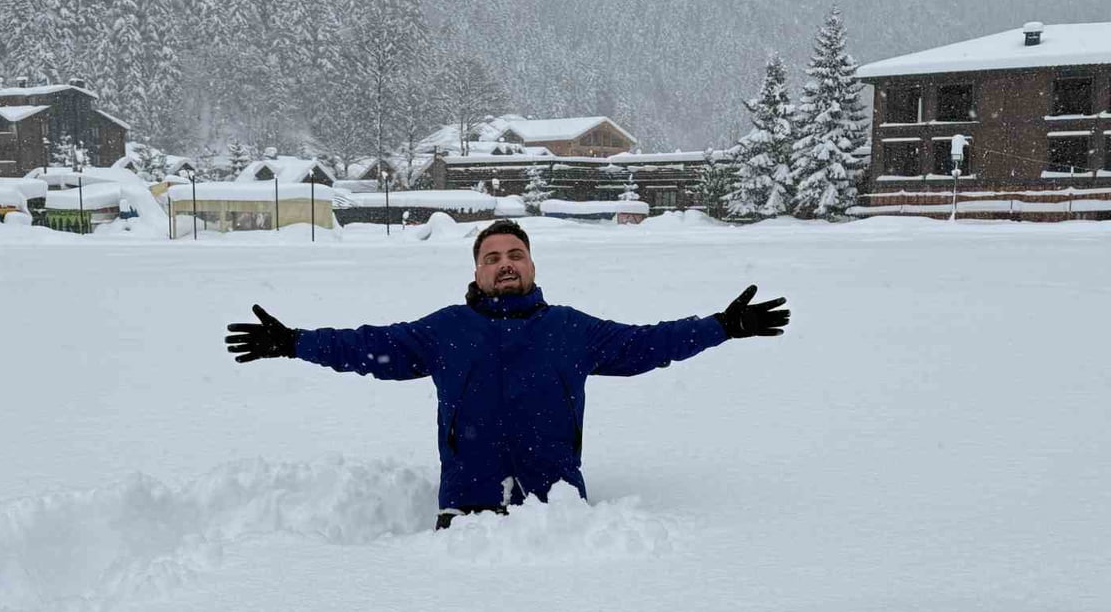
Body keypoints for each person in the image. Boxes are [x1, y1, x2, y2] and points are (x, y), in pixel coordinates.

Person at [225, 219, 790, 529]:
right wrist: (295, 342)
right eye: (492, 257)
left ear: (533, 265)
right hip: (464, 515)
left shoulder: (572, 330)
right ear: (475, 270)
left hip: (558, 519)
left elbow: (648, 344)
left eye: (515, 253)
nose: (505, 263)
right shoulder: (443, 331)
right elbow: (367, 346)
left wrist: (721, 325)